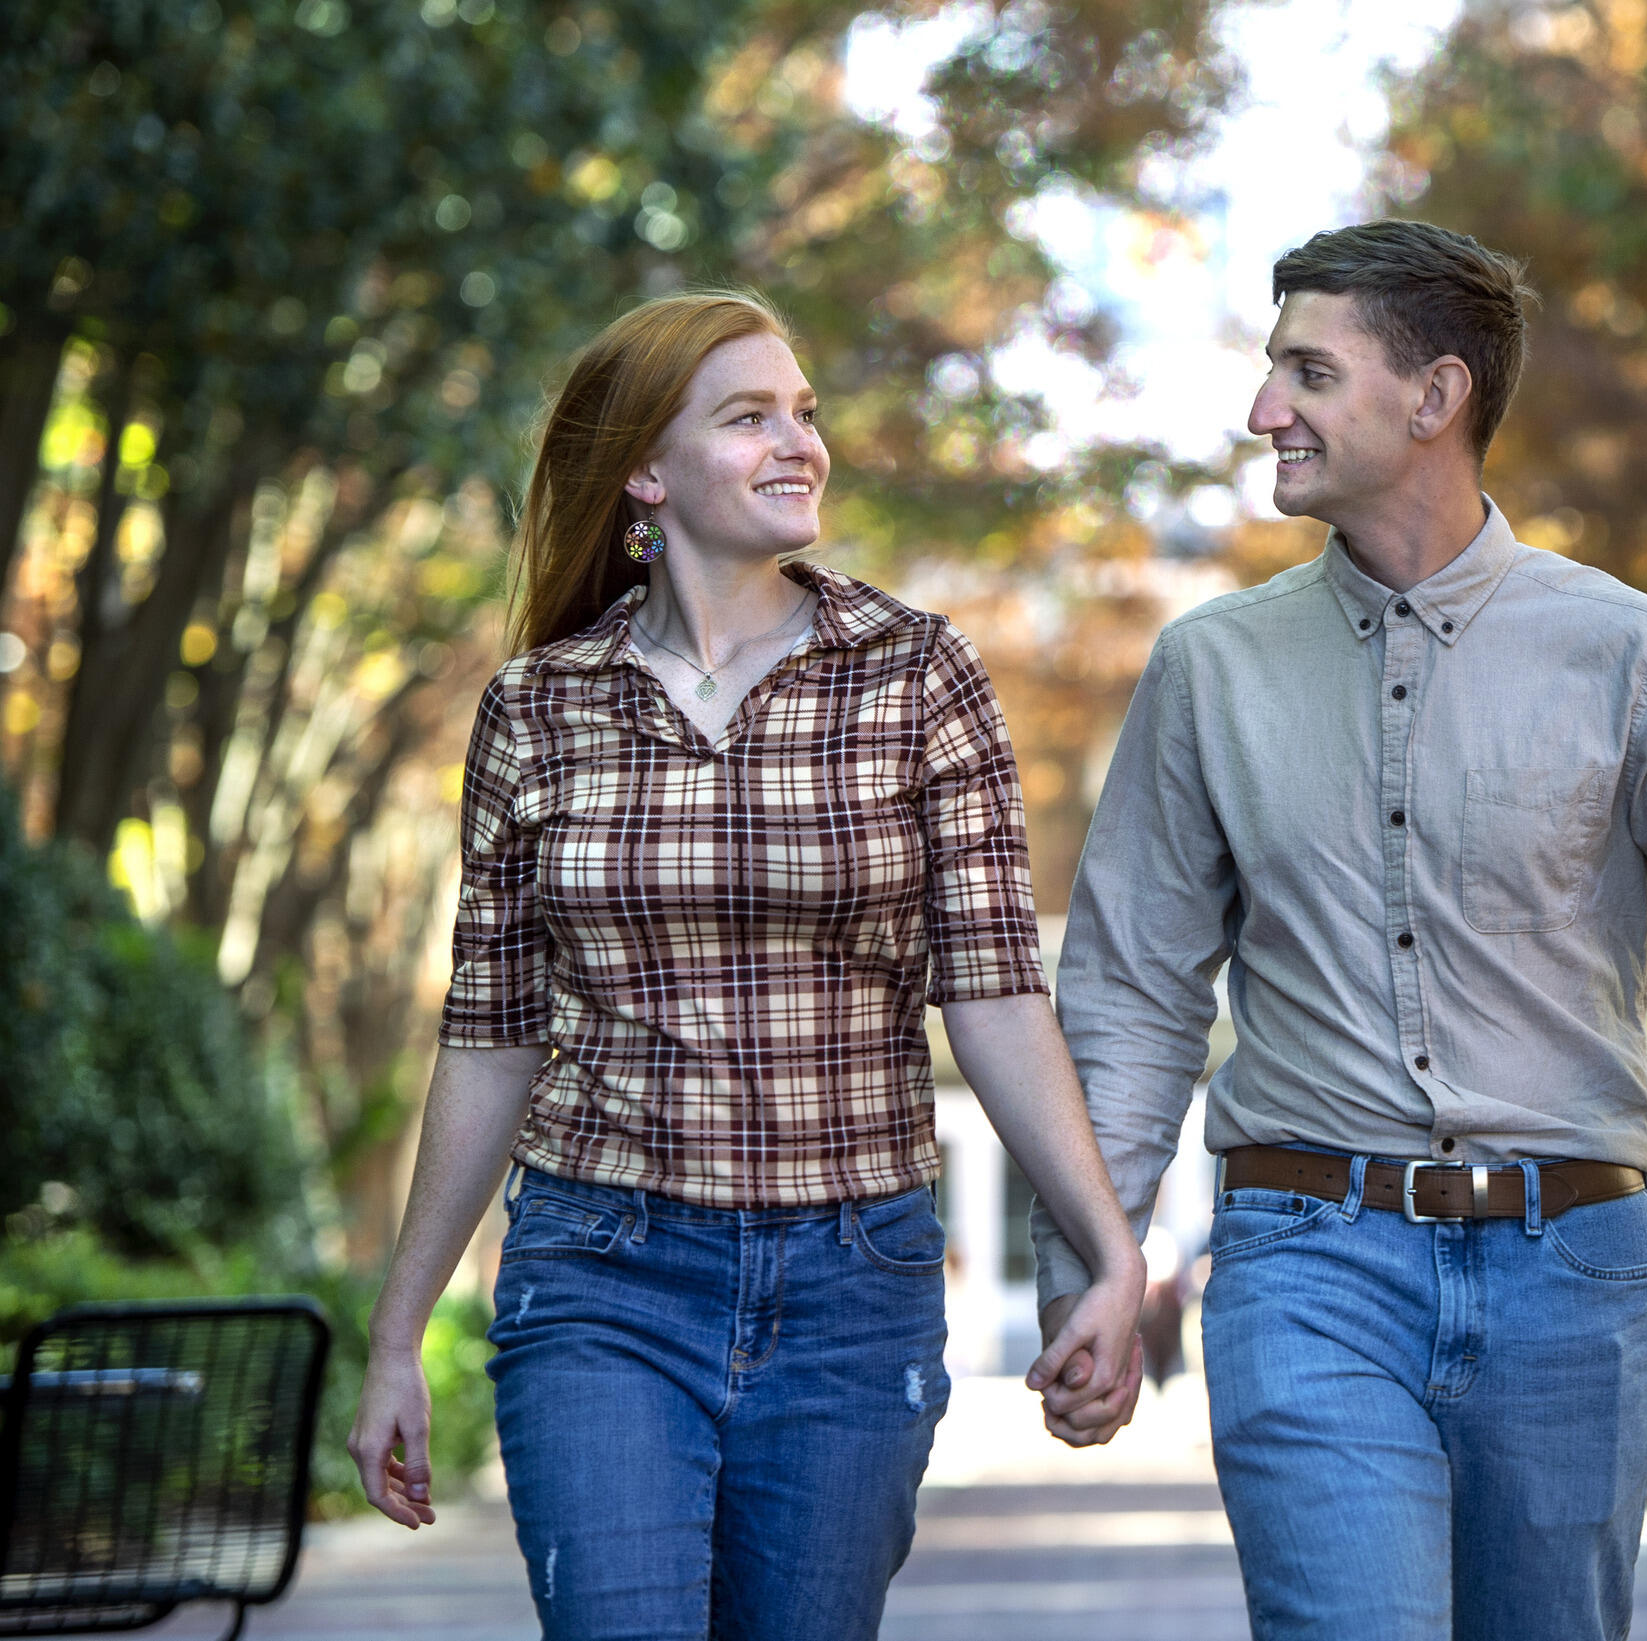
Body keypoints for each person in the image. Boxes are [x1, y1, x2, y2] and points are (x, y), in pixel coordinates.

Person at [1029, 220, 1647, 1639]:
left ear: (1435, 400)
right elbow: (1129, 997)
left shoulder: (1629, 653)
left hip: (1575, 1274)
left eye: (1309, 371)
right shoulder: (1209, 670)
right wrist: (1094, 1270)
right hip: (1307, 1260)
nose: (1262, 411)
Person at [345, 291, 1145, 1641]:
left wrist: (1109, 1255)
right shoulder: (541, 708)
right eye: (750, 416)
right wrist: (397, 1334)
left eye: (806, 412)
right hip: (603, 1268)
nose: (801, 443)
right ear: (645, 474)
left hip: (852, 1278)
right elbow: (488, 1036)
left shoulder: (913, 671)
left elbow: (998, 991)